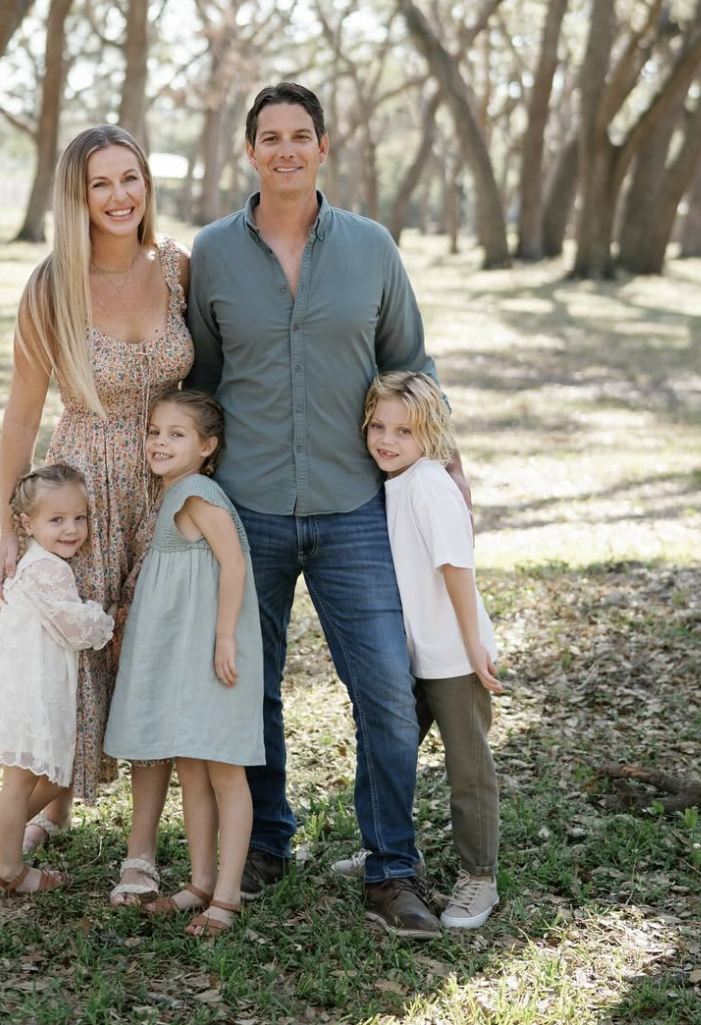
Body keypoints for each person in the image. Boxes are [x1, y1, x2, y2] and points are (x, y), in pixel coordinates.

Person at [187, 81, 470, 939]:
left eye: (299, 134)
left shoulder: (373, 248)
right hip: (248, 510)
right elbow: (198, 382)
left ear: (322, 145)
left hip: (356, 510)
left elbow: (412, 367)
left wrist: (453, 475)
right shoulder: (210, 255)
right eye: (269, 136)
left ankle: (393, 868)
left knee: (385, 687)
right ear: (249, 151)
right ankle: (267, 840)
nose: (285, 149)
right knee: (250, 688)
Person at [0, 125, 193, 905]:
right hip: (86, 494)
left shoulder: (176, 266)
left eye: (130, 179)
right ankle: (29, 820)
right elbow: (19, 417)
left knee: (152, 654)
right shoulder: (51, 285)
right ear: (77, 196)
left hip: (168, 484)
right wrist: (11, 532)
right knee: (77, 670)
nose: (119, 197)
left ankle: (140, 850)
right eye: (100, 184)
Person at [105, 390, 264, 937]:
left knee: (223, 769)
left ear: (207, 446)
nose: (159, 442)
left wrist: (224, 637)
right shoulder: (176, 492)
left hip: (214, 651)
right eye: (154, 431)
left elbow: (234, 563)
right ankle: (198, 883)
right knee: (192, 768)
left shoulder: (197, 493)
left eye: (176, 434)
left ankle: (225, 898)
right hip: (188, 651)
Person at [363, 371, 502, 929]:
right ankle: (390, 855)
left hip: (453, 656)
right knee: (389, 753)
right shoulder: (397, 480)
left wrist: (473, 648)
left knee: (468, 769)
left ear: (433, 435)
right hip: (415, 653)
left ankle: (479, 879)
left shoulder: (428, 483)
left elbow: (456, 567)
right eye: (378, 426)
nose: (387, 439)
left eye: (405, 430)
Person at [0, 464, 115, 896]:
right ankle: (10, 870)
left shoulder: (37, 562)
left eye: (79, 518)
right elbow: (77, 628)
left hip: (27, 685)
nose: (72, 530)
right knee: (20, 784)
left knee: (53, 777)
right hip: (31, 692)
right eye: (57, 520)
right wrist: (107, 615)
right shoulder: (46, 570)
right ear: (27, 524)